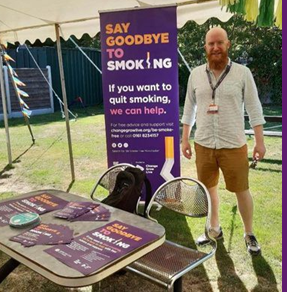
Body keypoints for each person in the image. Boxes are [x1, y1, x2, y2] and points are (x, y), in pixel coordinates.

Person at [181, 27, 266, 256]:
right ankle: (213, 229)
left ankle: (249, 233)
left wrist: (259, 141)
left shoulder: (242, 73)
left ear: (228, 45)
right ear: (205, 48)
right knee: (208, 190)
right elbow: (189, 107)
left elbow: (254, 108)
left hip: (234, 143)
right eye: (211, 44)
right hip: (204, 143)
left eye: (220, 43)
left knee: (242, 190)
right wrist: (185, 139)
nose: (215, 47)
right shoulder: (196, 75)